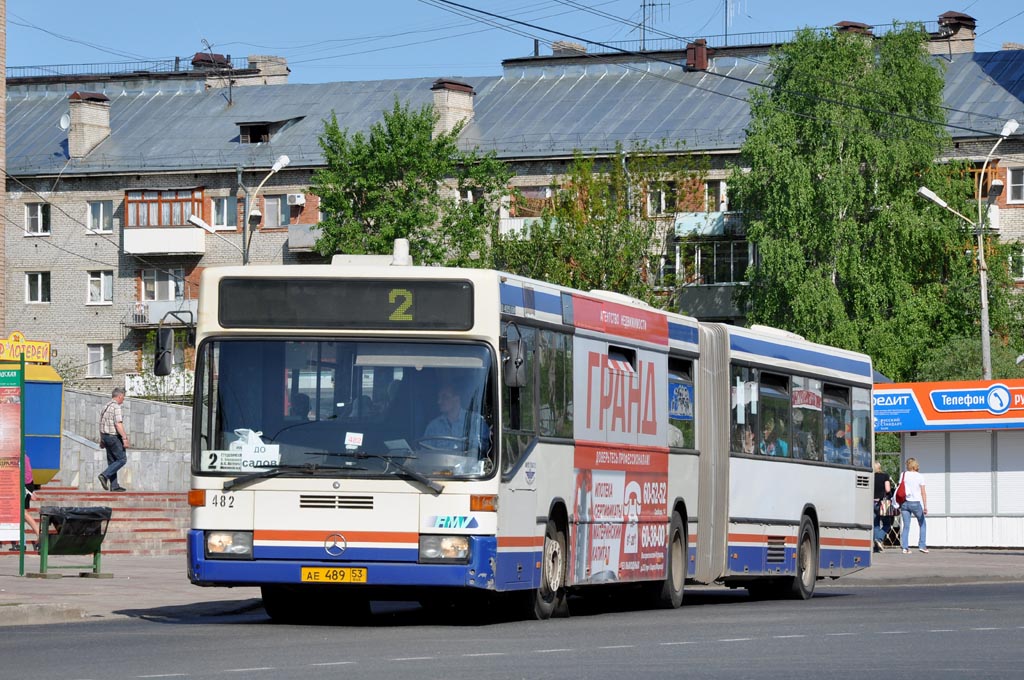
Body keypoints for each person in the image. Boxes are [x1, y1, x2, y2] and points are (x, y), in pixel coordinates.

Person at [422, 383, 490, 454]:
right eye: (438, 398)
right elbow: (425, 453)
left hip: (468, 465)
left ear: (457, 398)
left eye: (444, 397)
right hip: (437, 465)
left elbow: (480, 449)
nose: (439, 401)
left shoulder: (475, 421)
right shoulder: (433, 426)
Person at [98, 387, 130, 492]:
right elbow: (118, 424)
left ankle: (114, 486)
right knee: (122, 459)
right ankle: (104, 475)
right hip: (113, 437)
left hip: (105, 436)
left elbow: (101, 423)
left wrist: (102, 439)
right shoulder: (116, 407)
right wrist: (124, 438)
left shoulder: (105, 406)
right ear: (120, 396)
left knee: (112, 462)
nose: (123, 400)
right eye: (123, 397)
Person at [9, 454, 41, 551]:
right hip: (26, 485)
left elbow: (25, 474)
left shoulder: (19, 455)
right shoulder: (22, 455)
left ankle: (39, 535)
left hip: (24, 485)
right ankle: (22, 542)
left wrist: (28, 491)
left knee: (22, 512)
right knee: (20, 514)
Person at [899, 457, 928, 554]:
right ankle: (922, 545)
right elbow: (923, 492)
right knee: (922, 523)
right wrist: (925, 506)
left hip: (904, 503)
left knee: (906, 526)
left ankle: (905, 548)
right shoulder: (920, 476)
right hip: (915, 503)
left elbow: (900, 488)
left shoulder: (903, 475)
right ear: (915, 465)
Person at [873, 461, 893, 552]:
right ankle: (879, 539)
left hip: (871, 503)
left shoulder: (870, 475)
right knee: (887, 524)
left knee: (875, 524)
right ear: (879, 467)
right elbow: (888, 489)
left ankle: (876, 546)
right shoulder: (885, 476)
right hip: (882, 503)